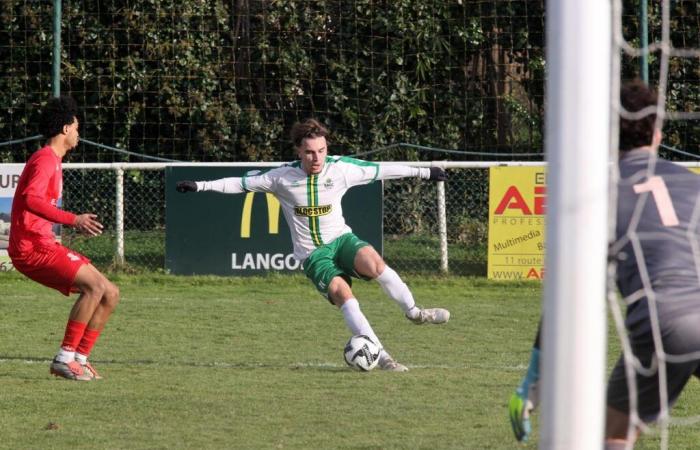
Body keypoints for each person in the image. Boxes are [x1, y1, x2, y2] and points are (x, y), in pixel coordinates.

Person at [508, 80, 700, 448]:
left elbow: (565, 299)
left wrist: (530, 386)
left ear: (610, 131)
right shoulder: (692, 183)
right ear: (658, 131)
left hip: (666, 321)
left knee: (611, 435)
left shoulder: (600, 194)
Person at [176, 118, 450, 371]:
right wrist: (200, 186)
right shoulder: (281, 178)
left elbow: (381, 170)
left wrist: (424, 172)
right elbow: (239, 183)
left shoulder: (341, 169)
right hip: (313, 254)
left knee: (376, 264)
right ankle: (383, 358)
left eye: (321, 150)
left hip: (341, 239)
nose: (316, 157)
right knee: (343, 295)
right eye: (309, 152)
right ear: (298, 151)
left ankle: (415, 313)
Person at [8, 96, 120, 381]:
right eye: (77, 127)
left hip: (43, 245)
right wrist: (74, 219)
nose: (79, 134)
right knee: (95, 287)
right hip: (31, 249)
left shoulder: (53, 161)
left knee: (110, 293)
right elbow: (30, 199)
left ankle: (79, 359)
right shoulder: (46, 159)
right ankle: (64, 357)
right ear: (66, 128)